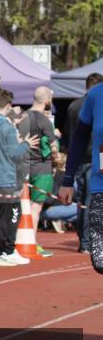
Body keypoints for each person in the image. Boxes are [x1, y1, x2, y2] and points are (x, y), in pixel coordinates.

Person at [0, 87, 38, 266]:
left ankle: (1, 250)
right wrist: (25, 144)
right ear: (7, 105)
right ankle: (0, 251)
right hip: (4, 176)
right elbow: (15, 154)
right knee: (4, 216)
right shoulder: (6, 127)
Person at [60, 81, 103, 273]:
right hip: (100, 188)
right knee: (100, 261)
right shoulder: (96, 95)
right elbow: (78, 139)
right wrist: (67, 180)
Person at [17, 86, 58, 257]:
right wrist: (57, 159)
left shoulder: (21, 117)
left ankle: (19, 242)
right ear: (47, 100)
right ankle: (31, 244)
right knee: (35, 208)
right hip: (41, 167)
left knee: (22, 207)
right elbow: (53, 147)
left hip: (23, 166)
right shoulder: (44, 120)